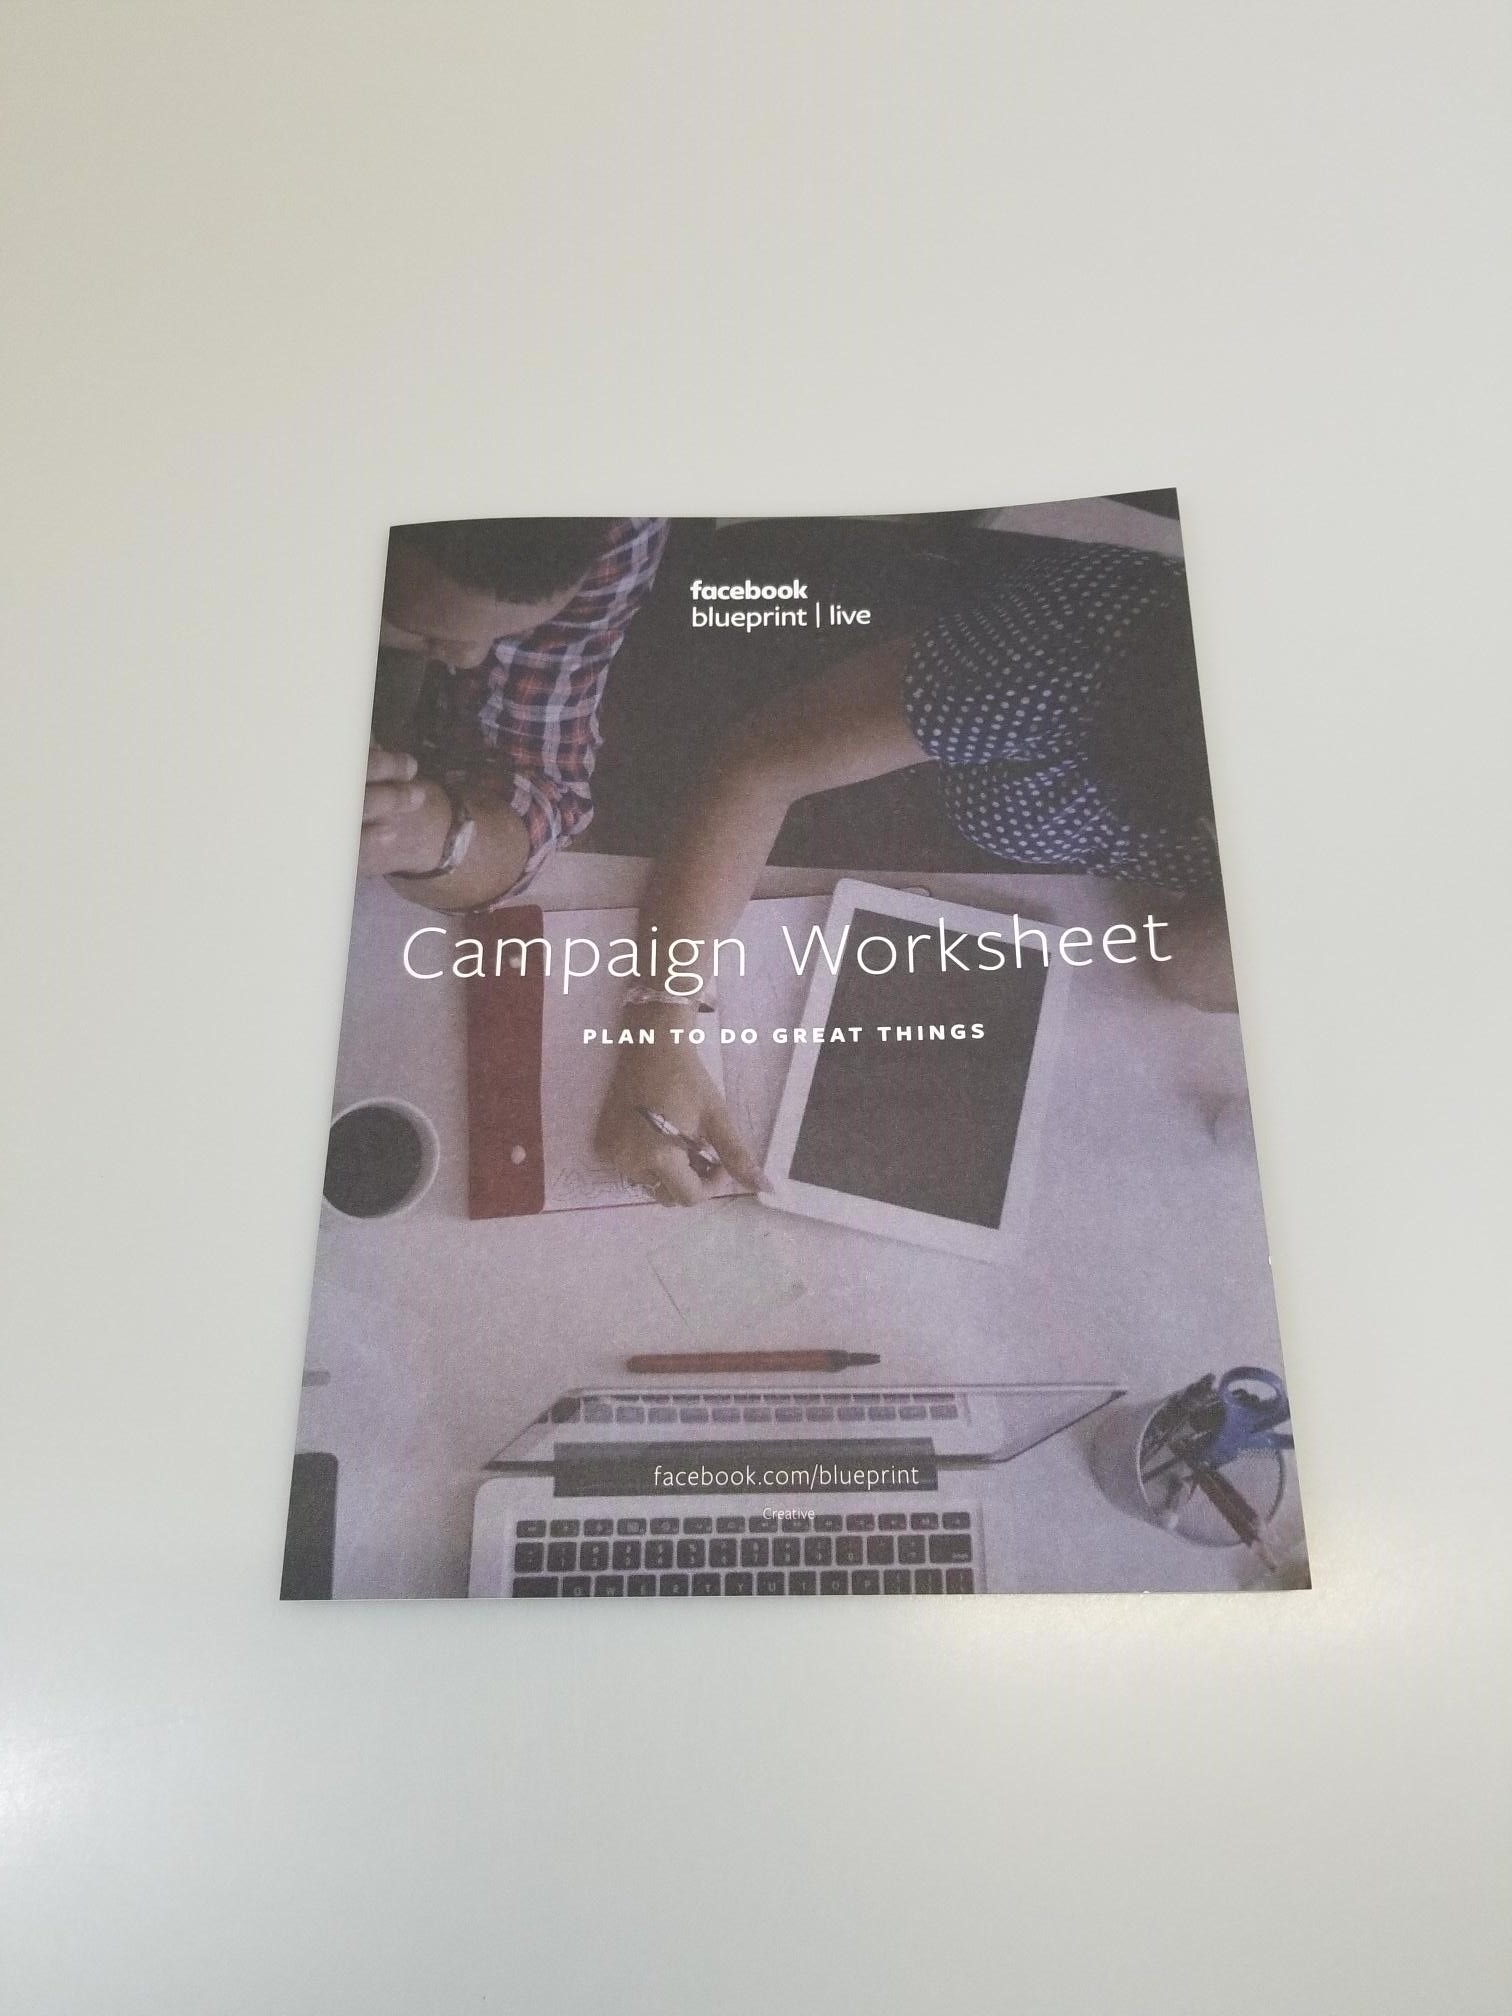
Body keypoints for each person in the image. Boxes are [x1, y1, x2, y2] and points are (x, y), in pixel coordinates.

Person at [596, 538, 1237, 1204]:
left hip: (986, 857)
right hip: (848, 695)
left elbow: (1187, 966)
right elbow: (757, 770)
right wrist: (660, 1020)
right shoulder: (1071, 664)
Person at [360, 516, 667, 908]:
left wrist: (423, 835)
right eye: (425, 635)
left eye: (510, 632)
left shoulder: (621, 524)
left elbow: (540, 773)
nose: (470, 659)